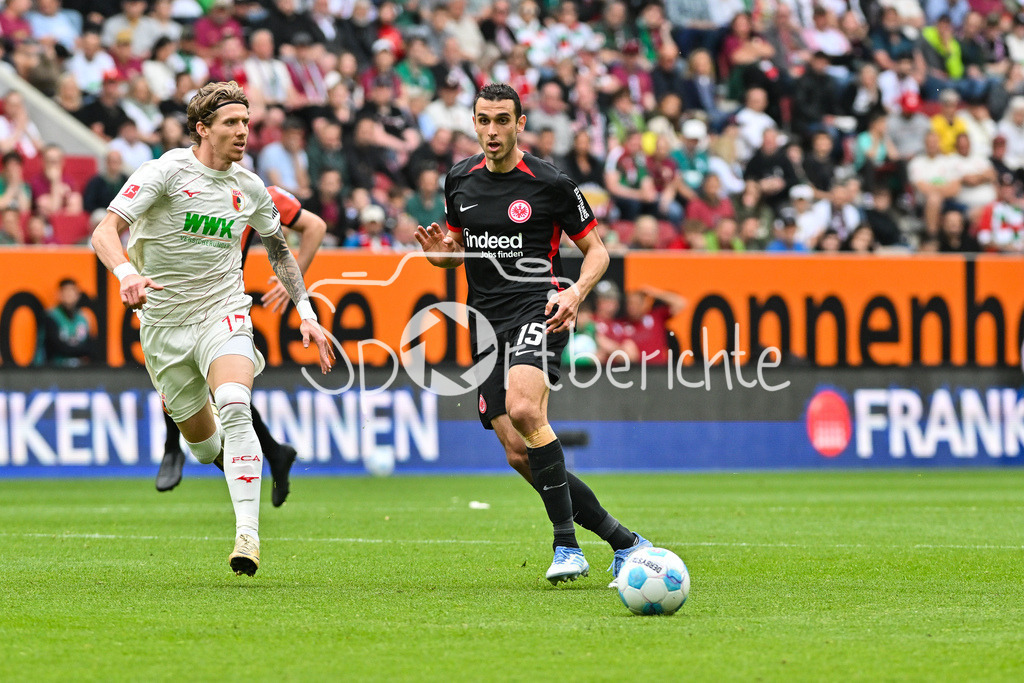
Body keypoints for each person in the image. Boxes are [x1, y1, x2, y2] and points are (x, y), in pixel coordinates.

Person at [91, 81, 334, 578]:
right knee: (204, 447)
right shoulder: (163, 173)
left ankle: (248, 535)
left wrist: (306, 313)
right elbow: (103, 231)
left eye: (246, 122)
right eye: (231, 123)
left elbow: (281, 248)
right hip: (163, 325)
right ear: (202, 129)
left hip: (223, 311)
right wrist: (126, 273)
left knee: (236, 405)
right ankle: (209, 447)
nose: (243, 131)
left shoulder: (250, 187)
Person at [414, 83, 649, 586]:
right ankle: (625, 542)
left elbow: (599, 252)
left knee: (525, 409)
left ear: (520, 124)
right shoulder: (458, 180)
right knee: (520, 454)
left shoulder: (550, 183)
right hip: (484, 326)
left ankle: (567, 546)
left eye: (502, 120)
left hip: (538, 309)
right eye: (483, 120)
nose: (492, 130)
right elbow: (457, 249)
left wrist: (576, 293)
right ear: (473, 123)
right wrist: (440, 255)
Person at [156, 183, 328, 500]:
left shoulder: (257, 191)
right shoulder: (181, 186)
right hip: (181, 296)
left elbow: (315, 226)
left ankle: (173, 448)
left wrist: (293, 279)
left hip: (223, 302)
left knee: (212, 382)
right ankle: (274, 452)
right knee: (217, 386)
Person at [38, 278, 98, 367]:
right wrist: (79, 349)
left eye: (72, 291)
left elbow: (91, 347)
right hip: (55, 370)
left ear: (77, 295)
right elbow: (56, 347)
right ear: (59, 295)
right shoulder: (51, 317)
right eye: (65, 292)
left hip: (79, 370)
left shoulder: (84, 318)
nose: (69, 295)